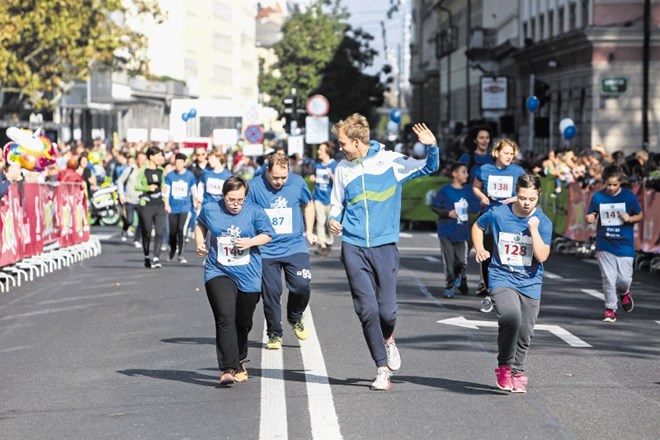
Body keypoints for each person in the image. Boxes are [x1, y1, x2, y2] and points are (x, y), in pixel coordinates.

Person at [327, 114, 439, 391]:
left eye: (342, 142)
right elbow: (336, 202)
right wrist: (332, 218)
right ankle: (381, 369)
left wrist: (432, 146)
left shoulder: (391, 161)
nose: (339, 147)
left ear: (356, 142)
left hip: (384, 245)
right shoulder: (343, 167)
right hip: (353, 245)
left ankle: (388, 339)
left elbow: (429, 167)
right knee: (366, 309)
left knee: (386, 312)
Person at [471, 174, 552, 393]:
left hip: (530, 282)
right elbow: (478, 226)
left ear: (538, 197)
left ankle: (518, 371)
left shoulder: (543, 222)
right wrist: (479, 248)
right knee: (510, 318)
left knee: (525, 331)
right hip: (501, 275)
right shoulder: (499, 214)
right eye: (523, 197)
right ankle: (505, 367)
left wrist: (533, 230)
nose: (526, 203)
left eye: (532, 199)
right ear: (516, 194)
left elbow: (543, 256)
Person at [195, 176, 274, 385]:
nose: (235, 204)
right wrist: (200, 243)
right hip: (218, 271)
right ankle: (228, 368)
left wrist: (250, 242)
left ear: (245, 197)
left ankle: (240, 357)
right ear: (224, 196)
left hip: (248, 274)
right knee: (225, 317)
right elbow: (200, 225)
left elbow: (267, 235)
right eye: (231, 200)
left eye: (240, 200)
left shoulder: (255, 211)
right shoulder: (211, 209)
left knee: (243, 321)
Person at [246, 150, 316, 350]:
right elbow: (246, 212)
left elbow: (308, 205)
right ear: (267, 170)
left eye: (283, 177)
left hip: (294, 245)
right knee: (272, 292)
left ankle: (295, 317)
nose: (279, 182)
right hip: (266, 249)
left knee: (302, 285)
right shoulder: (254, 186)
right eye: (275, 177)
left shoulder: (297, 182)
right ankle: (275, 333)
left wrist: (309, 231)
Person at [472, 139, 526, 311]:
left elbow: (529, 192)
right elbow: (475, 187)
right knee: (487, 256)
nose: (509, 156)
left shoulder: (518, 171)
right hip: (489, 217)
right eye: (506, 153)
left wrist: (516, 199)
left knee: (507, 257)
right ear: (496, 153)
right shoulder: (485, 169)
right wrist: (482, 197)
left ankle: (509, 293)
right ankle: (489, 293)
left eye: (512, 154)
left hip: (510, 219)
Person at [585, 165, 643, 322]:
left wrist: (630, 219)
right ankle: (611, 309)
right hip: (605, 242)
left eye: (615, 184)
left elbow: (640, 215)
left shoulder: (629, 197)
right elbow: (591, 215)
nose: (611, 188)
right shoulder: (598, 197)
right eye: (608, 184)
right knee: (608, 278)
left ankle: (624, 292)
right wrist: (589, 218)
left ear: (620, 183)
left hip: (625, 244)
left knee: (624, 279)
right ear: (604, 182)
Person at [430, 162, 476, 297]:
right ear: (454, 174)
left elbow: (475, 207)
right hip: (446, 231)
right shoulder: (445, 190)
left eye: (467, 172)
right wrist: (447, 213)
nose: (466, 175)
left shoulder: (468, 190)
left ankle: (458, 276)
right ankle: (449, 286)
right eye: (463, 172)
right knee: (449, 261)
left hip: (462, 231)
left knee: (461, 260)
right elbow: (434, 206)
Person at [134, 146, 167, 268]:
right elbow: (136, 186)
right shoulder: (143, 170)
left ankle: (157, 258)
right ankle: (147, 256)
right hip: (146, 204)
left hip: (159, 204)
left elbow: (164, 185)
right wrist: (148, 188)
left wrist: (164, 193)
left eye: (161, 155)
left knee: (159, 231)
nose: (161, 158)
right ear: (151, 157)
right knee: (147, 232)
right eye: (158, 155)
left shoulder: (161, 170)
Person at [164, 153, 199, 264]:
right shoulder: (170, 176)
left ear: (184, 163)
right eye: (176, 162)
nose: (178, 165)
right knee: (172, 232)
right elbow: (166, 191)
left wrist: (196, 201)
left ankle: (181, 255)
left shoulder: (190, 176)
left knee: (181, 230)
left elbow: (194, 190)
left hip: (185, 207)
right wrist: (166, 204)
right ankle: (173, 249)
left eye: (180, 162)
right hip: (172, 208)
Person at [309, 141, 338, 256]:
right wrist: (312, 178)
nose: (318, 152)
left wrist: (331, 175)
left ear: (327, 151)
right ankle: (321, 244)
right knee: (320, 221)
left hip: (330, 198)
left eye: (321, 150)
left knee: (329, 223)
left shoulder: (335, 165)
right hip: (318, 197)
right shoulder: (317, 164)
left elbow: (339, 181)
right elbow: (312, 175)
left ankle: (329, 242)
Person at [117, 152, 146, 247]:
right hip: (129, 199)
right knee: (130, 220)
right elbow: (120, 181)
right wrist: (121, 195)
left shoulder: (146, 170)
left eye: (143, 159)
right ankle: (124, 229)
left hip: (141, 200)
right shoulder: (130, 169)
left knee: (142, 220)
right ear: (137, 159)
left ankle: (137, 239)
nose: (142, 161)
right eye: (140, 159)